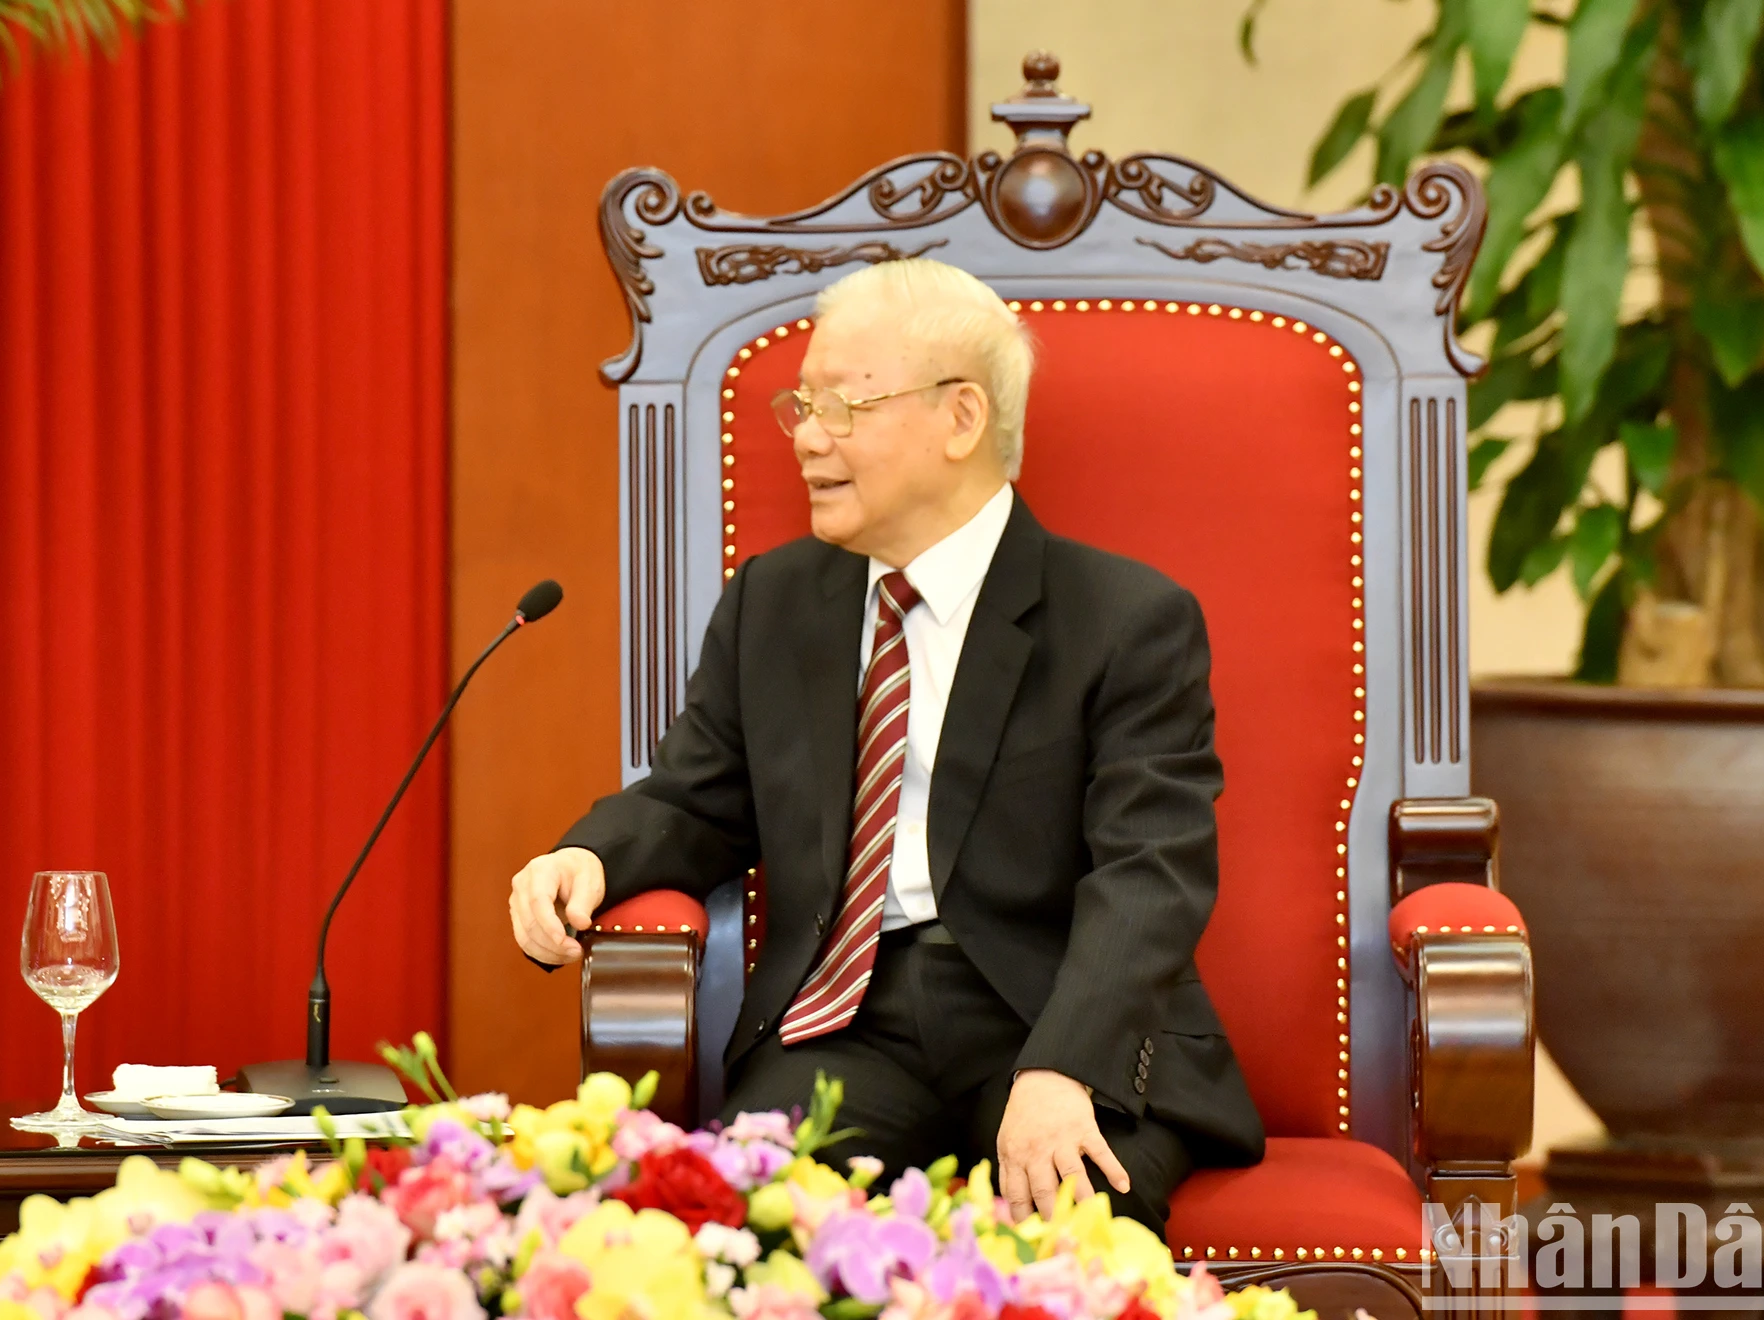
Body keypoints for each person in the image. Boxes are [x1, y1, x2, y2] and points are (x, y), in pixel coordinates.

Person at [509, 258, 1262, 1231]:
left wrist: (1066, 1064)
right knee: (741, 1230)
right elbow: (698, 797)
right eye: (800, 406)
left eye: (844, 407)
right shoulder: (775, 604)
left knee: (1057, 1244)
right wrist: (589, 856)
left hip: (1055, 1011)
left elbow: (1150, 872)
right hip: (841, 1023)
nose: (809, 439)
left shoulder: (1125, 621)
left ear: (961, 419)